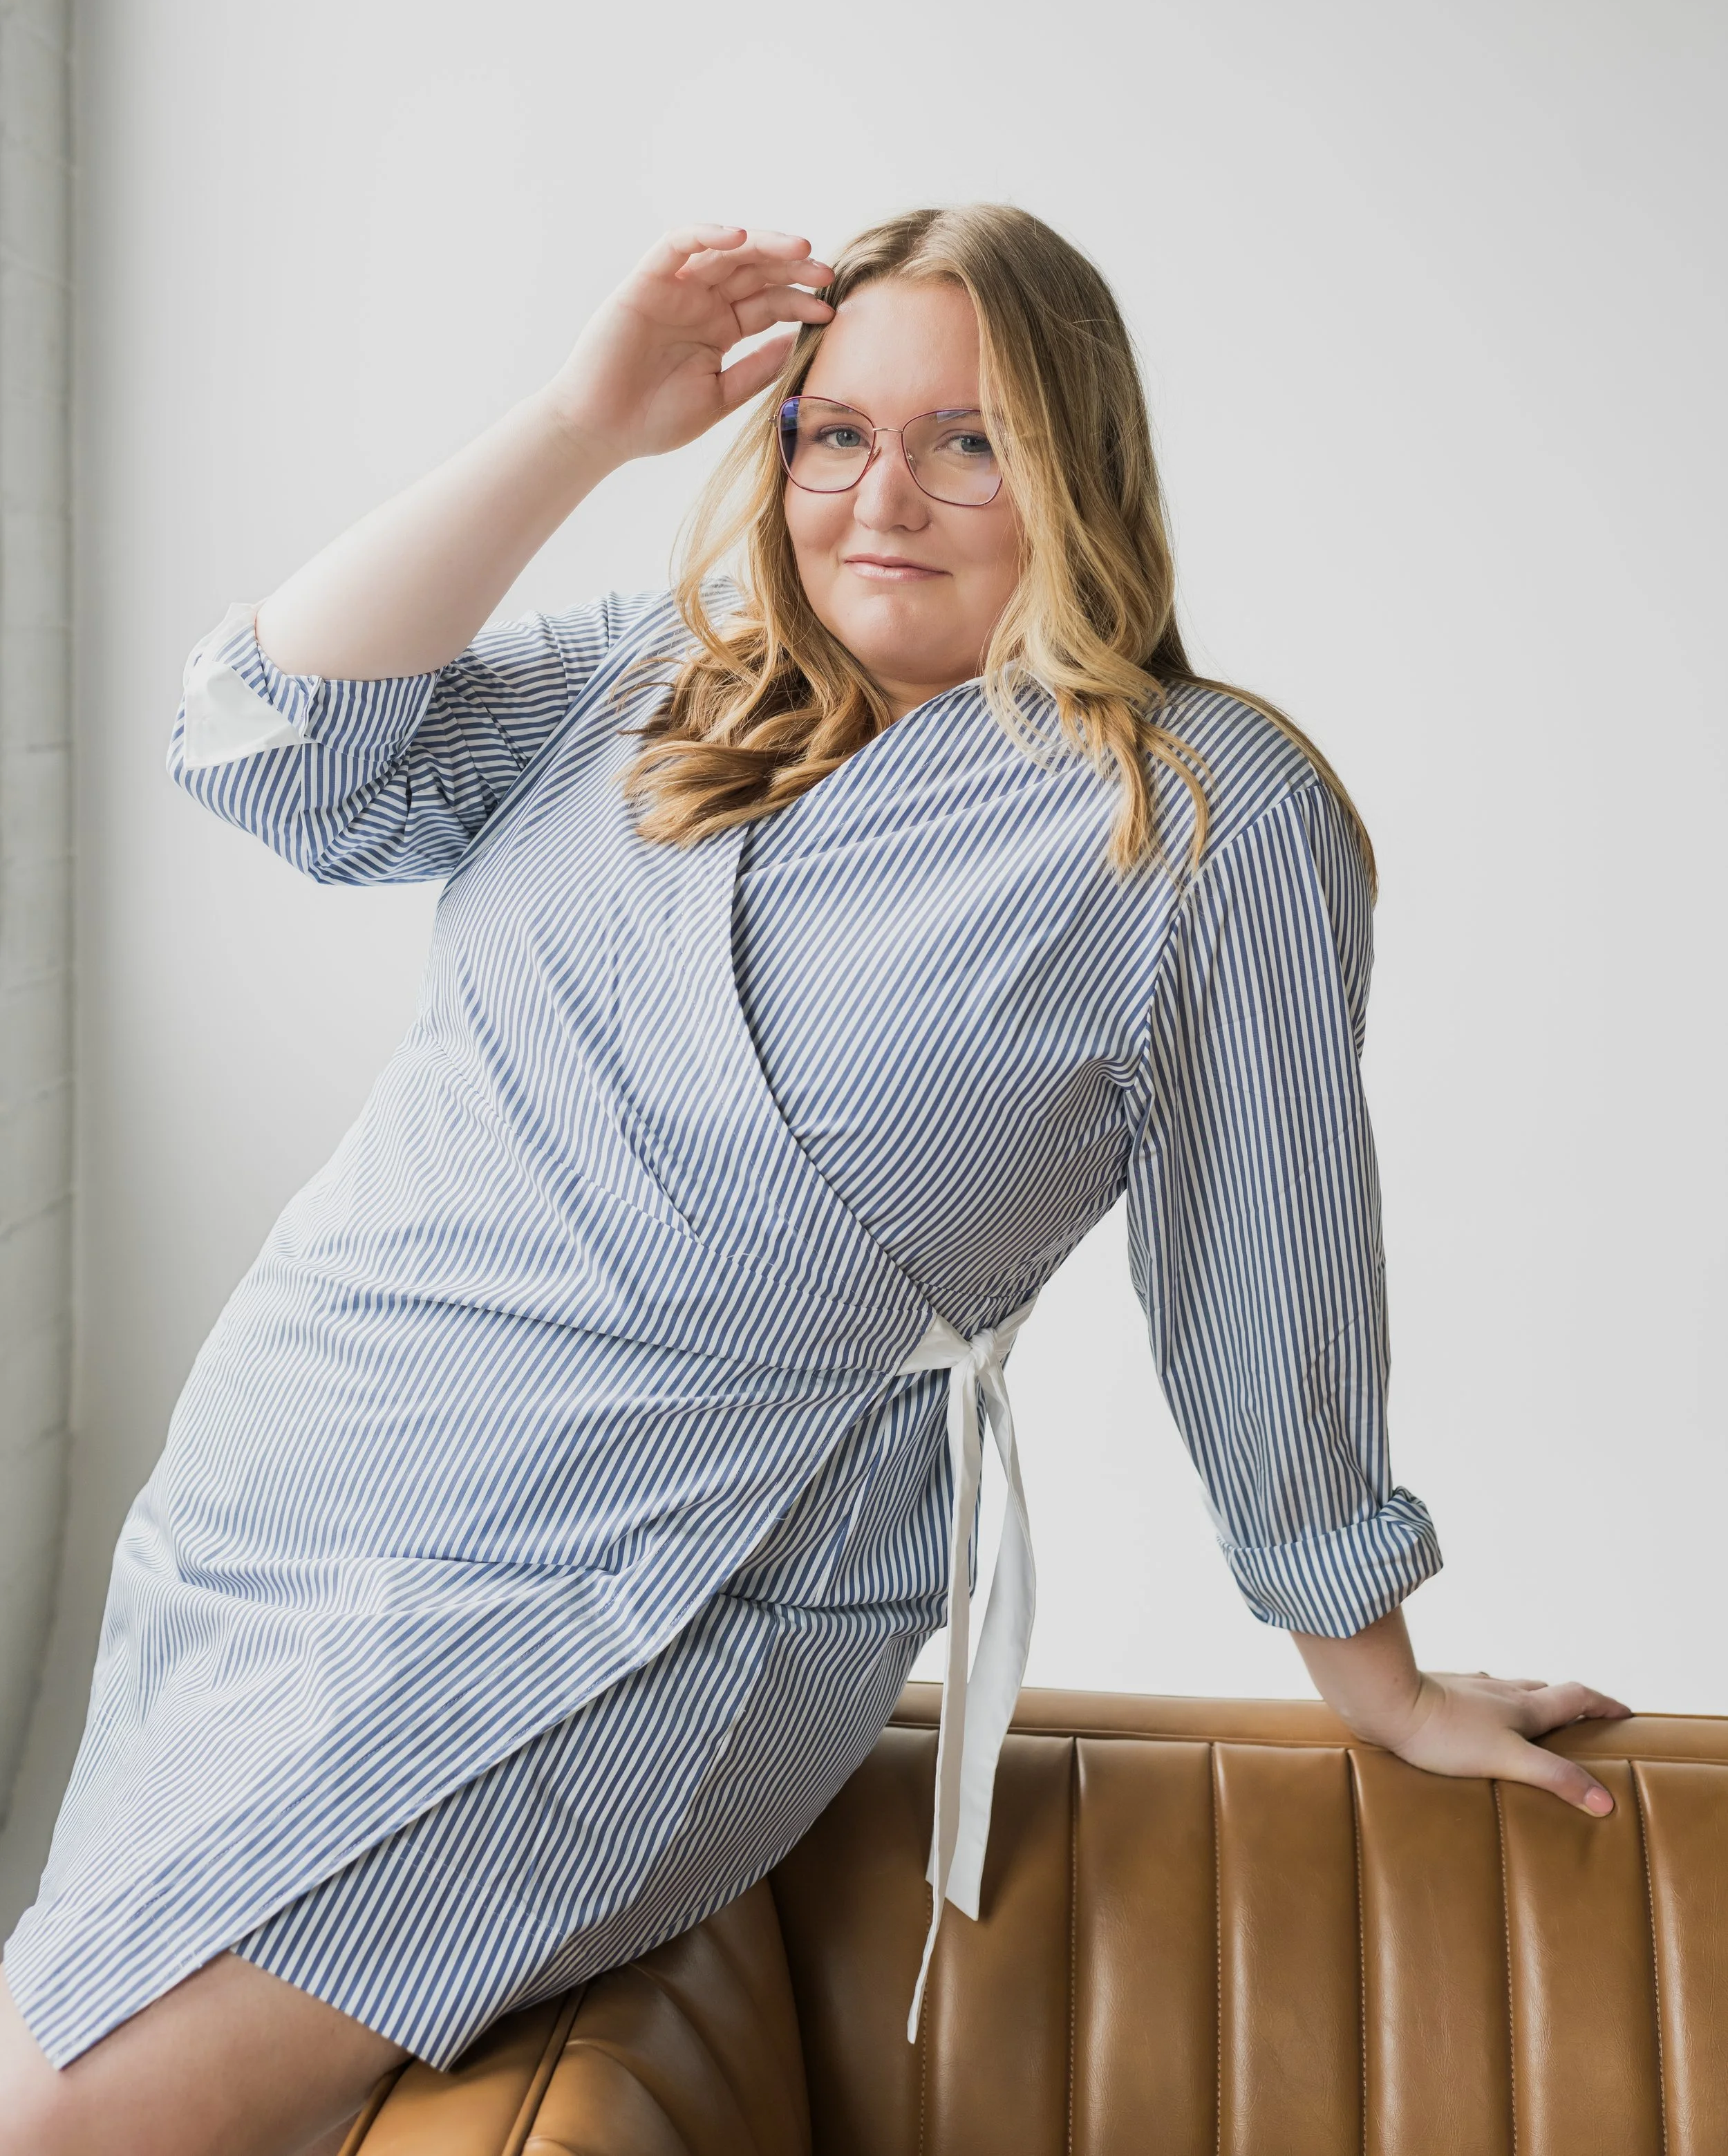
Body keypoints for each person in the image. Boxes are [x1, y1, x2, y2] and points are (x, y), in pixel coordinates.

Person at [1, 207, 1626, 2156]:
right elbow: (269, 740)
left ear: (1075, 465)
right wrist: (585, 420)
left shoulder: (1192, 809)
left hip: (664, 1589)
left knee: (63, 2110)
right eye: (829, 432)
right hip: (290, 1509)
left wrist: (1370, 1668)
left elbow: (1263, 1267)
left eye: (967, 438)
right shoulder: (646, 691)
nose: (883, 495)